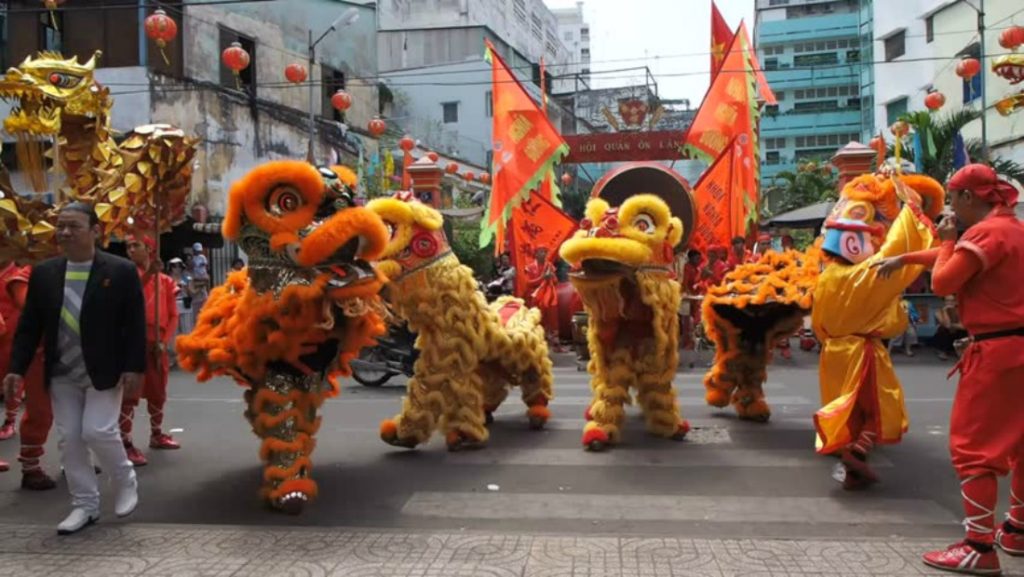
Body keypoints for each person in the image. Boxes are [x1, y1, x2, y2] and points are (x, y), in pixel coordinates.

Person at [3, 202, 145, 535]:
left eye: (74, 226)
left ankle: (125, 479)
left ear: (96, 231)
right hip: (62, 371)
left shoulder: (120, 271)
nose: (65, 232)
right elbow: (30, 326)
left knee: (97, 430)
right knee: (70, 440)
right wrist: (16, 369)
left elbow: (134, 324)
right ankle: (85, 505)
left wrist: (134, 367)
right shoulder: (45, 273)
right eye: (61, 226)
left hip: (104, 370)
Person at [909, 165, 1024, 575]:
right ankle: (1016, 530)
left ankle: (979, 544)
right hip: (1017, 346)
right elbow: (952, 262)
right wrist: (904, 256)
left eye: (951, 199)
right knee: (1018, 445)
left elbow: (942, 280)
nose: (949, 210)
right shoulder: (1013, 229)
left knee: (973, 448)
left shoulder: (984, 234)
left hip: (997, 351)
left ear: (968, 198)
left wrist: (943, 239)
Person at [120, 234, 181, 467]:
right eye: (128, 246)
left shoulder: (165, 281)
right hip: (133, 341)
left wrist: (165, 340)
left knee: (158, 392)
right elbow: (129, 297)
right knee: (130, 394)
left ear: (150, 249)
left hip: (158, 342)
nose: (130, 250)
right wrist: (148, 275)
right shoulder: (126, 275)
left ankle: (157, 434)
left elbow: (173, 314)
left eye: (135, 245)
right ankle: (125, 443)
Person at [0, 261, 56, 490]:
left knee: (81, 413)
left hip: (76, 352)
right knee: (40, 411)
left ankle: (79, 460)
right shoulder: (26, 273)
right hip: (36, 350)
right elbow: (28, 306)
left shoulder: (86, 267)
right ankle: (31, 466)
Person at [524, 247, 563, 352]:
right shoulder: (530, 267)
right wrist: (542, 278)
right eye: (541, 251)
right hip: (534, 296)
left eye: (545, 252)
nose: (544, 254)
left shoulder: (549, 266)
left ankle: (554, 342)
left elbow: (555, 282)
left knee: (553, 313)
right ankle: (537, 342)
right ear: (535, 254)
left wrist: (551, 277)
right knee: (538, 316)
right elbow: (528, 283)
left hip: (548, 296)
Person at [932, 295, 968, 361]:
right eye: (947, 300)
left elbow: (964, 327)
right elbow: (947, 325)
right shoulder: (939, 311)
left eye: (952, 300)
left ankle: (960, 351)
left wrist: (953, 325)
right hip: (945, 336)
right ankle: (942, 351)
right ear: (944, 302)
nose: (950, 303)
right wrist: (945, 311)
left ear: (956, 302)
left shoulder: (961, 310)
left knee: (963, 332)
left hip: (957, 334)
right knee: (943, 330)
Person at [189, 243, 209, 313]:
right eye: (196, 251)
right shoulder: (192, 258)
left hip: (202, 275)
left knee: (203, 292)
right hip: (195, 276)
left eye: (199, 251)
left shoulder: (202, 257)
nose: (198, 252)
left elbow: (206, 265)